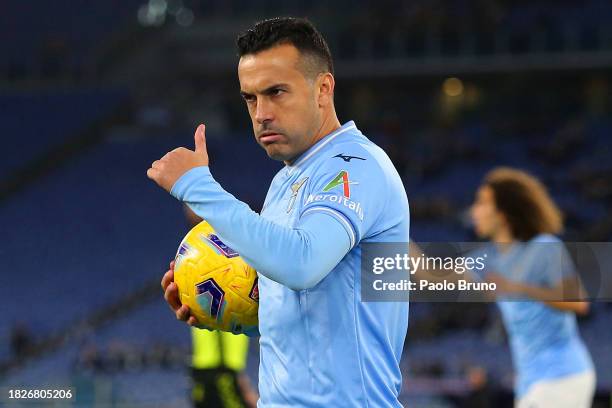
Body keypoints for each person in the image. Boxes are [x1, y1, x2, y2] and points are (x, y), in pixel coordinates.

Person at [147, 17, 410, 407]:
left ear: (323, 89)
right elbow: (309, 314)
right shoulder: (285, 182)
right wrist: (220, 306)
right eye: (250, 98)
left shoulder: (356, 166)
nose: (260, 113)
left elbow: (301, 264)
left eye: (276, 93)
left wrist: (197, 187)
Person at [469, 167, 595, 408]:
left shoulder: (544, 247)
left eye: (482, 203)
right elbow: (432, 274)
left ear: (503, 213)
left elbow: (578, 303)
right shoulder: (488, 259)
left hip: (562, 377)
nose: (474, 210)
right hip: (530, 383)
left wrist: (518, 287)